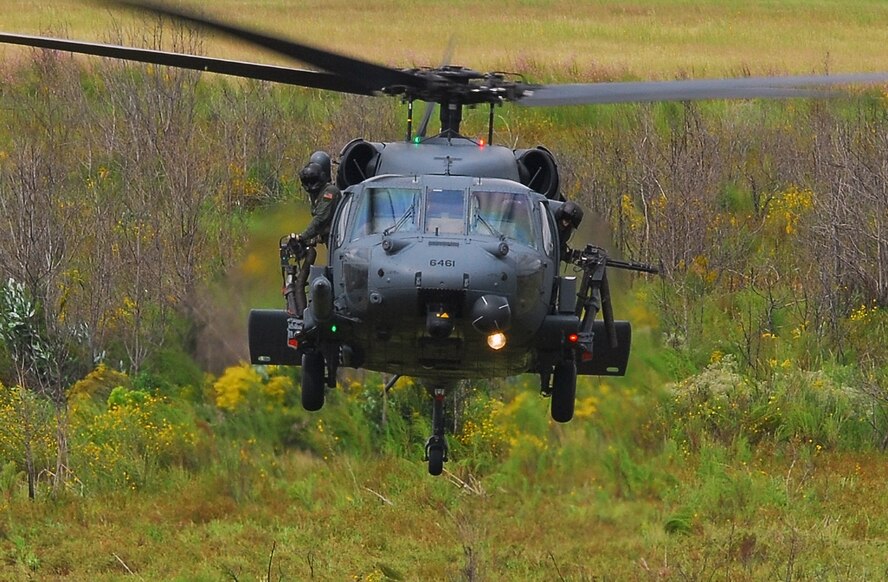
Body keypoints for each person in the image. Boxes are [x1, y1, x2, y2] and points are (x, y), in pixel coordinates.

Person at [284, 151, 341, 316]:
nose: (310, 187)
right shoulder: (318, 194)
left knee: (337, 273)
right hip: (330, 240)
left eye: (313, 181)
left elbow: (321, 219)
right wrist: (309, 240)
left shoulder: (330, 192)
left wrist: (303, 236)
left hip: (339, 241)